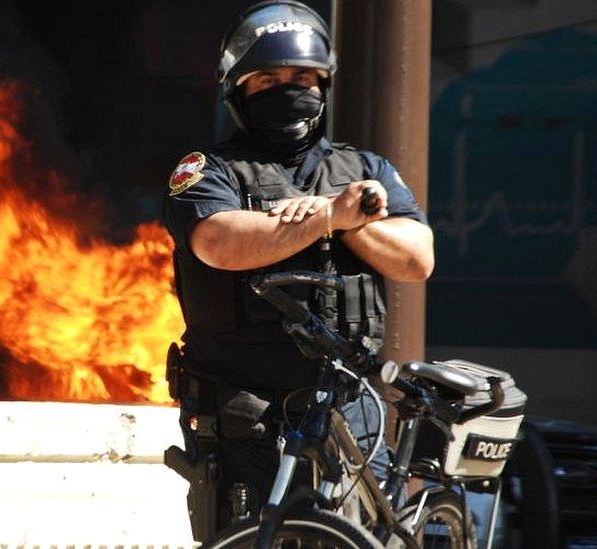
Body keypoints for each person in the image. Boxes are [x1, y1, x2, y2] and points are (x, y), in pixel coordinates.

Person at [162, 0, 434, 541]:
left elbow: (417, 258)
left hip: (347, 402)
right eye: (270, 78)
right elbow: (218, 242)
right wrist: (331, 215)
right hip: (245, 405)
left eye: (304, 77)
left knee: (362, 537)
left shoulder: (366, 169)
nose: (291, 88)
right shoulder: (206, 170)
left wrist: (349, 224)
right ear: (238, 88)